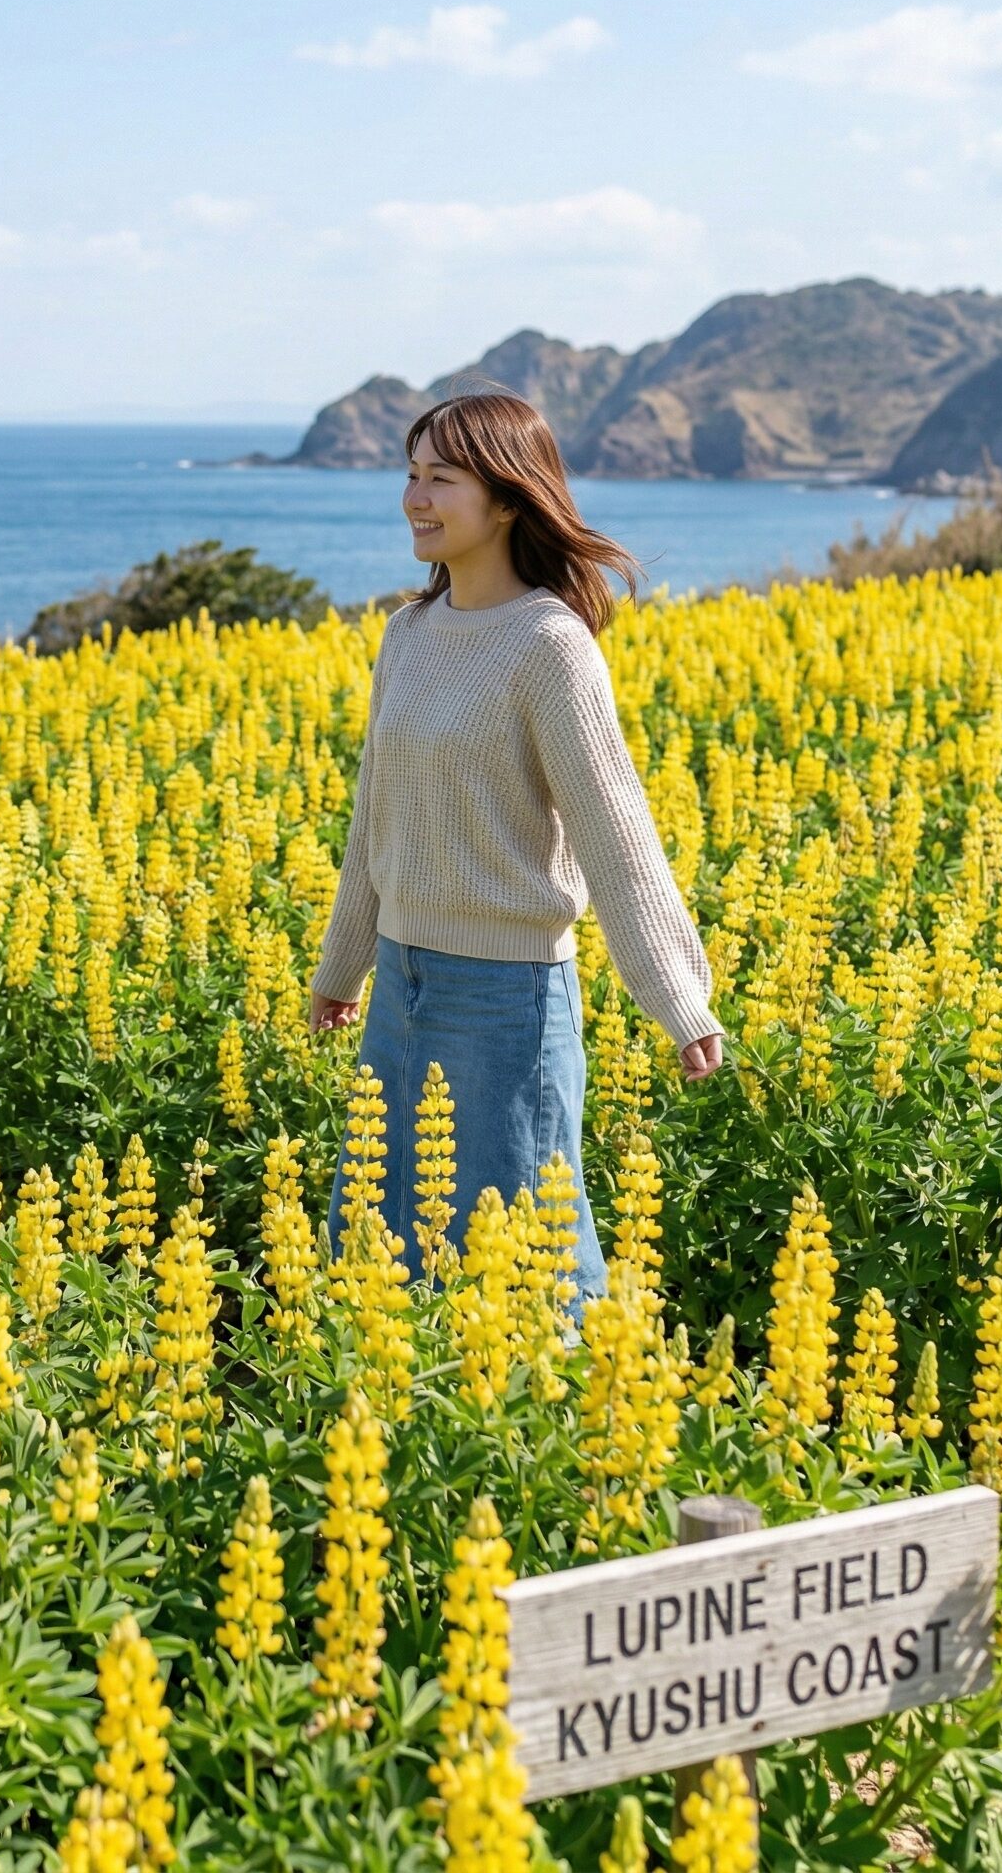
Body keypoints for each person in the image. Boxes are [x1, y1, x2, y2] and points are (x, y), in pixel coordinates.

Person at [308, 384, 724, 1316]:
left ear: (506, 498)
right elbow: (376, 816)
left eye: (441, 478)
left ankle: (580, 1447)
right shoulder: (407, 634)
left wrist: (677, 997)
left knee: (526, 1261)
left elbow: (615, 826)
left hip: (505, 999)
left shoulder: (548, 644)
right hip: (404, 991)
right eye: (411, 474)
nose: (415, 497)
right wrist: (344, 965)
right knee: (379, 1245)